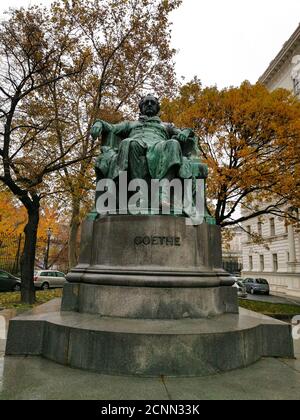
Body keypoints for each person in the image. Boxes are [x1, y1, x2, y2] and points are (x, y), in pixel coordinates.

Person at [91, 94, 200, 184]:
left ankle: (163, 191)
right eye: (146, 103)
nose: (149, 104)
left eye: (152, 103)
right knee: (129, 143)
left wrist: (187, 131)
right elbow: (112, 128)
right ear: (141, 107)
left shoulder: (166, 125)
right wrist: (99, 123)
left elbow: (183, 133)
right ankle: (139, 191)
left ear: (157, 108)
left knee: (173, 143)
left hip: (159, 147)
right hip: (137, 145)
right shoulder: (130, 124)